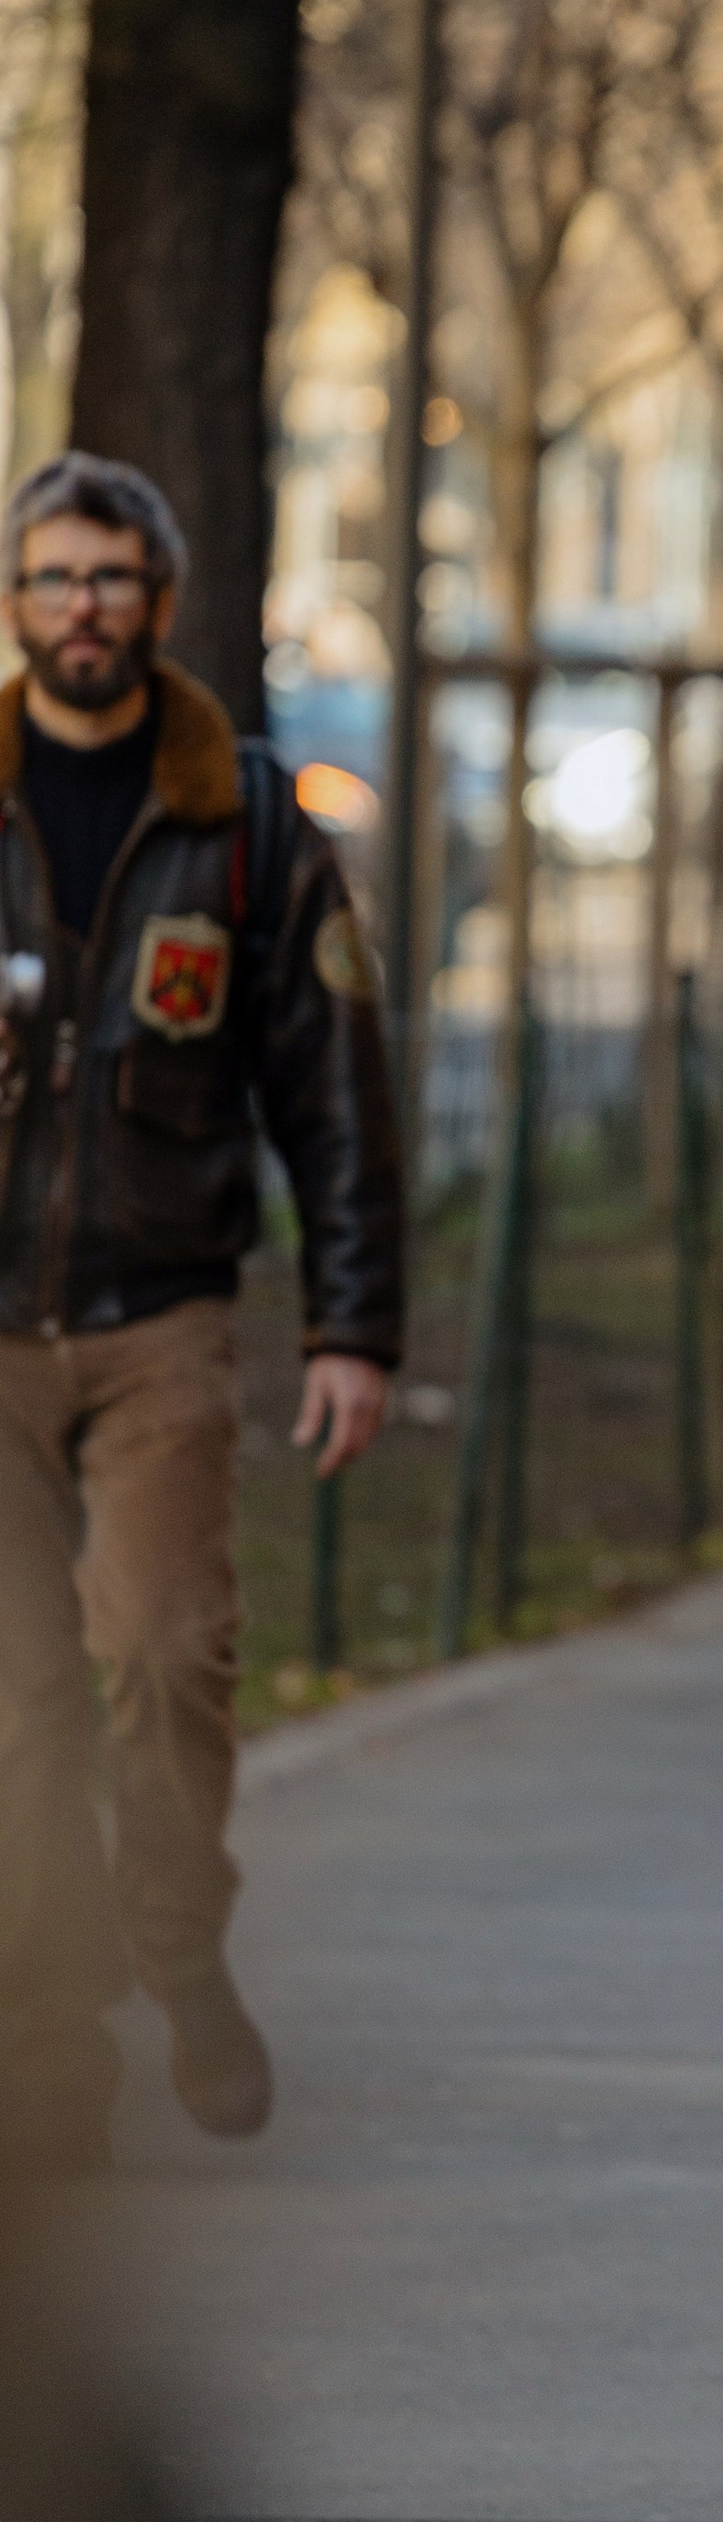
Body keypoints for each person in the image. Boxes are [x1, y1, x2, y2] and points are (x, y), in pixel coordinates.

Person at [0, 453, 401, 2171]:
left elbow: (335, 1084)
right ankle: (50, 2041)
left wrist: (352, 1327)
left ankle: (177, 1939)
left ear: (158, 601)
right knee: (17, 1706)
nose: (81, 607)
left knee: (163, 1655)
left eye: (110, 578)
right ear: (15, 608)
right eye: (50, 579)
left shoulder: (241, 814)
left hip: (162, 1313)